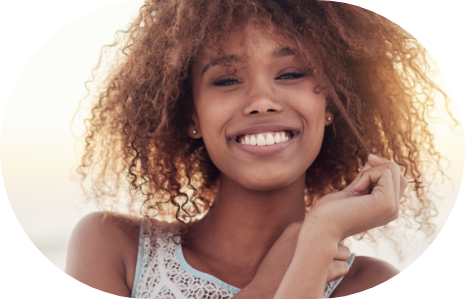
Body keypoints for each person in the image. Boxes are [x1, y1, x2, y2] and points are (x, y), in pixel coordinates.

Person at [65, 0, 455, 298]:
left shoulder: (367, 282)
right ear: (189, 113)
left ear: (332, 105)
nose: (261, 101)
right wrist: (296, 263)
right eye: (227, 80)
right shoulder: (112, 247)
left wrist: (319, 234)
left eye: (290, 73)